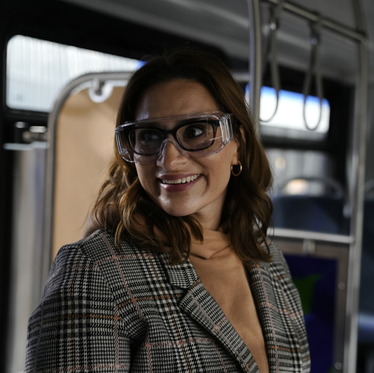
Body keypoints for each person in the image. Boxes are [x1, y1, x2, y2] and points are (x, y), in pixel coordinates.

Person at [25, 46, 310, 372]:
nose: (170, 159)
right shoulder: (95, 271)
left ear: (238, 146)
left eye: (196, 131)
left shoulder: (267, 259)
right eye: (149, 135)